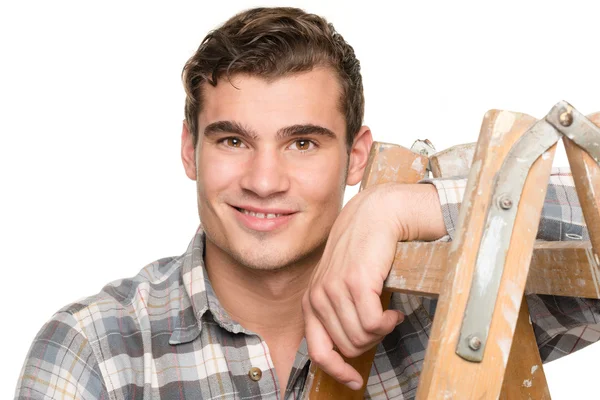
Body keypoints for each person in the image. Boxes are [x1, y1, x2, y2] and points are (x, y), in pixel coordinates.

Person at [15, 6, 600, 400]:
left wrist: (404, 208)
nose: (264, 180)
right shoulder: (95, 349)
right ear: (189, 150)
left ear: (355, 158)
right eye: (232, 140)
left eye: (302, 143)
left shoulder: (452, 294)